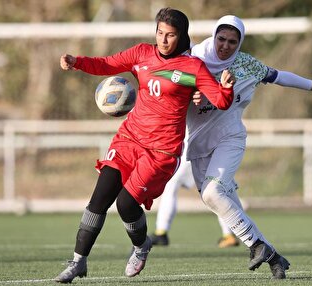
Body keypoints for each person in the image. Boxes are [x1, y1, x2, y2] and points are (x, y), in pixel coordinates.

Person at [54, 8, 235, 284]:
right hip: (129, 139)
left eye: (170, 35)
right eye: (160, 33)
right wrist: (76, 61)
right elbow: (106, 64)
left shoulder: (191, 68)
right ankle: (78, 262)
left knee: (126, 204)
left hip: (161, 151)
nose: (163, 40)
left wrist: (226, 87)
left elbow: (220, 101)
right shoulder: (140, 54)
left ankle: (141, 246)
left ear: (182, 36)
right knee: (100, 197)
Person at [186, 15, 312, 279]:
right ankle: (271, 255)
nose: (225, 46)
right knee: (225, 203)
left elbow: (278, 76)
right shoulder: (192, 60)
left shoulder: (246, 64)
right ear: (214, 35)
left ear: (240, 43)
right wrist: (189, 94)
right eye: (221, 39)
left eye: (233, 41)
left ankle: (259, 247)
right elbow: (169, 88)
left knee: (212, 194)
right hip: (198, 144)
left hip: (230, 137)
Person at [150, 136, 241, 248]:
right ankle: (231, 233)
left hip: (195, 145)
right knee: (220, 187)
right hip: (214, 143)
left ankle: (161, 232)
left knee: (172, 184)